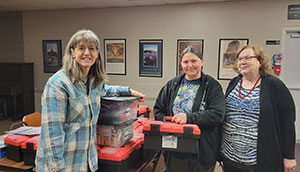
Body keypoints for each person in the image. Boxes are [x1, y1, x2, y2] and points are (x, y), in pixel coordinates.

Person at [35, 29, 145, 172]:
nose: (87, 53)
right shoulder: (58, 84)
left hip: (88, 162)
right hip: (63, 165)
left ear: (97, 53)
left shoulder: (94, 82)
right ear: (72, 52)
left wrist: (129, 91)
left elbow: (107, 90)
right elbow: (52, 136)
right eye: (81, 48)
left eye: (91, 48)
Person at [220, 45, 297, 172]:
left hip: (260, 160)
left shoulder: (274, 85)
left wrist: (289, 156)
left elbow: (288, 121)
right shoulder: (234, 82)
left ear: (260, 61)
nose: (242, 62)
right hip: (230, 157)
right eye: (239, 59)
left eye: (247, 58)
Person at [154, 46, 226, 172]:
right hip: (175, 151)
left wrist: (188, 118)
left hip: (201, 152)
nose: (190, 65)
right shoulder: (173, 84)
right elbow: (158, 110)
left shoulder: (212, 86)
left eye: (194, 61)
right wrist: (169, 121)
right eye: (185, 62)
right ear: (181, 63)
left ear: (202, 61)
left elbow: (217, 114)